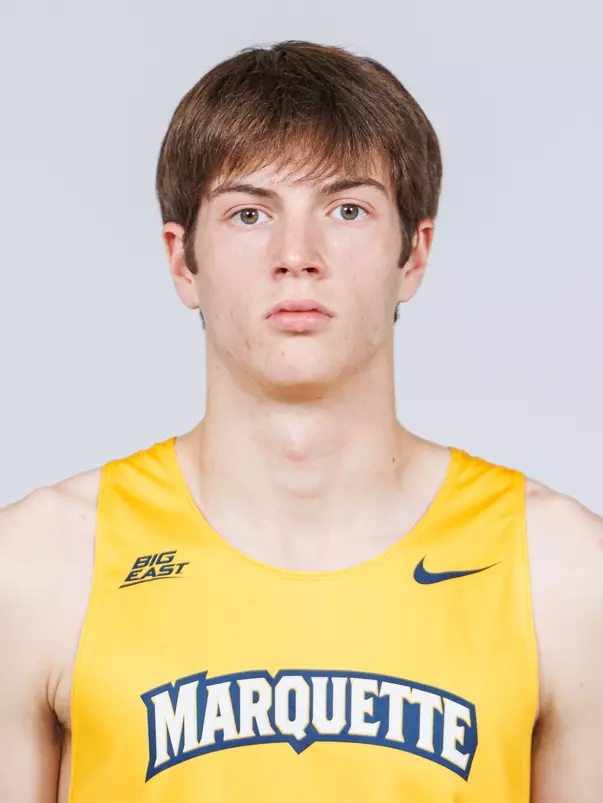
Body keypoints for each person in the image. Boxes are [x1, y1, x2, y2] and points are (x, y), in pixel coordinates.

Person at [0, 39, 601, 803]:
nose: (297, 254)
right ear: (182, 261)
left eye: (346, 209)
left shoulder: (563, 574)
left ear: (412, 253)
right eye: (249, 213)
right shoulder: (36, 567)